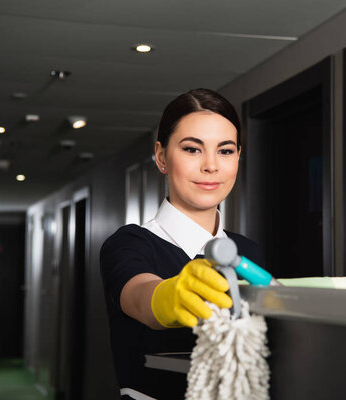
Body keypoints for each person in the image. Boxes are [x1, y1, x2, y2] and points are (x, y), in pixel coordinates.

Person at [100, 88, 265, 400]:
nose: (211, 166)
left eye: (226, 151)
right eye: (193, 149)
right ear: (162, 157)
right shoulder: (129, 244)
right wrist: (170, 296)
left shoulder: (249, 251)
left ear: (238, 157)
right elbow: (139, 295)